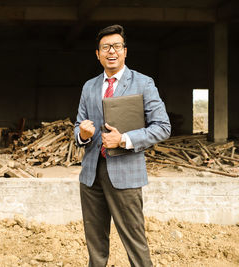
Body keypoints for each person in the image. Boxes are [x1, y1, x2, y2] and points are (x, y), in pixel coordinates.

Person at [74, 25, 171, 267]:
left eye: (117, 46)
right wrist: (83, 134)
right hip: (91, 175)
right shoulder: (89, 86)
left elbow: (163, 126)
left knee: (135, 243)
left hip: (126, 174)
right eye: (105, 47)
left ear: (125, 51)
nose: (111, 52)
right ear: (97, 54)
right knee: (95, 245)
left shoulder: (143, 83)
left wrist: (124, 139)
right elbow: (78, 127)